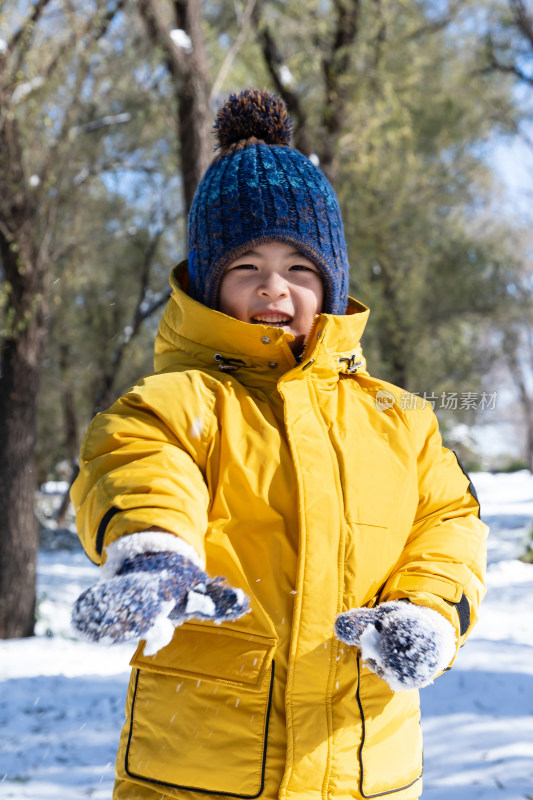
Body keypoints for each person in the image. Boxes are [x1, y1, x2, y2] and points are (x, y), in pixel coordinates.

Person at [71, 88, 488, 800]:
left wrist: (424, 609)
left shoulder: (398, 416)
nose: (274, 287)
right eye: (245, 268)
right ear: (209, 285)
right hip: (202, 769)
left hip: (362, 769)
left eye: (299, 266)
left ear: (329, 281)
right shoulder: (179, 400)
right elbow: (139, 465)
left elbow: (447, 521)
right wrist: (157, 550)